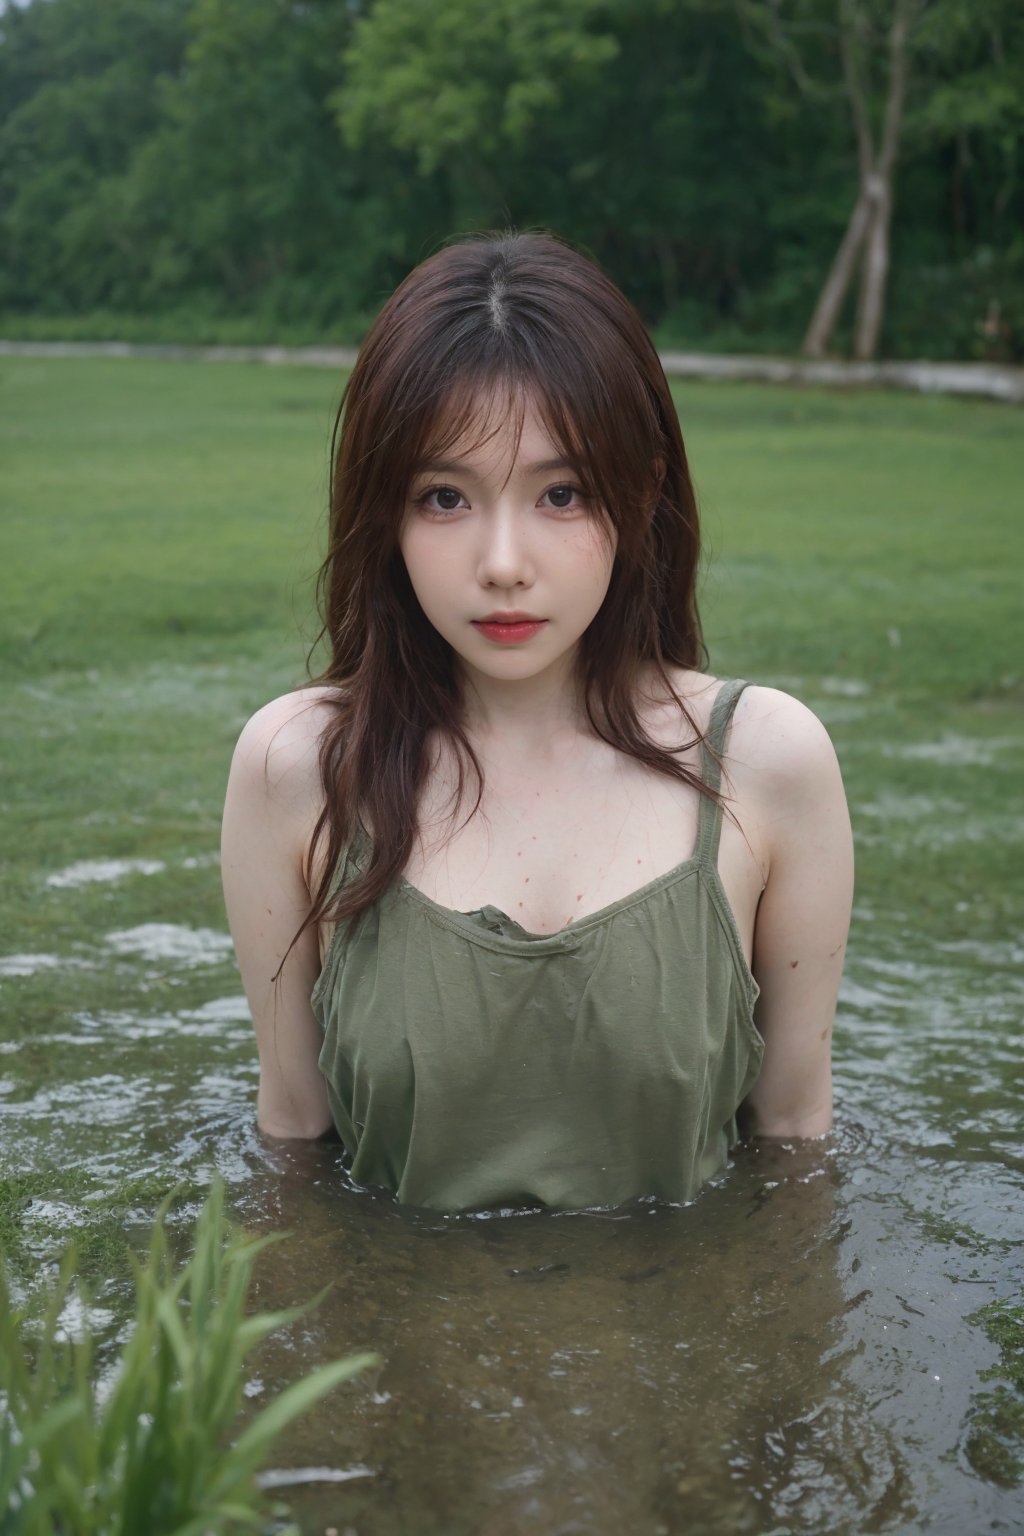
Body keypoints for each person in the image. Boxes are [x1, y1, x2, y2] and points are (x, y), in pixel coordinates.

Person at [220, 230, 854, 1213]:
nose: (503, 561)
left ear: (642, 492)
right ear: (383, 515)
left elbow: (794, 1147)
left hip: (676, 1354)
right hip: (401, 1357)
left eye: (560, 493)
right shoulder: (299, 768)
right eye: (444, 497)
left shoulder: (765, 764)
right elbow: (294, 1145)